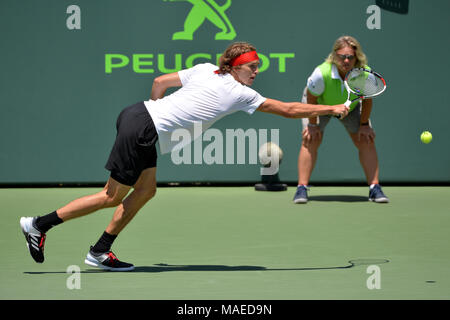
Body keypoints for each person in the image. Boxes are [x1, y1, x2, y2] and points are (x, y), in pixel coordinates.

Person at [20, 42, 349, 271]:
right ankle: (38, 225)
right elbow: (289, 109)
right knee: (110, 196)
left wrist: (154, 119)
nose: (256, 73)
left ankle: (100, 251)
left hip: (137, 115)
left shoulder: (207, 70)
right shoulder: (239, 91)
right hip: (143, 128)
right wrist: (331, 108)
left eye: (257, 68)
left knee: (147, 190)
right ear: (235, 67)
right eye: (252, 67)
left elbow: (159, 82)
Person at [293, 36, 389, 204]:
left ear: (356, 57)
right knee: (310, 139)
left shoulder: (363, 73)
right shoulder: (321, 73)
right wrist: (313, 125)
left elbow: (367, 100)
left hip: (350, 108)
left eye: (350, 57)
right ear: (334, 56)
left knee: (366, 140)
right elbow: (311, 98)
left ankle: (375, 188)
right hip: (319, 105)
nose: (346, 60)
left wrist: (364, 125)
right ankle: (301, 188)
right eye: (341, 56)